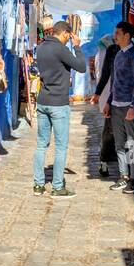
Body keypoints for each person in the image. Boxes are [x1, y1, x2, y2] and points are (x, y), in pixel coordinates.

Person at [32, 20, 85, 197]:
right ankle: (57, 187)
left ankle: (38, 185)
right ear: (64, 34)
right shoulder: (61, 49)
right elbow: (82, 67)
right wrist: (77, 47)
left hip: (43, 101)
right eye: (68, 37)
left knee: (41, 144)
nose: (68, 40)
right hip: (58, 104)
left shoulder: (40, 48)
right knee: (61, 147)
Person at [105, 20, 134, 194]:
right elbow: (115, 82)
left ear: (127, 36)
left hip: (129, 106)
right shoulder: (119, 55)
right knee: (119, 144)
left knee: (133, 143)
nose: (115, 37)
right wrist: (108, 102)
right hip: (116, 106)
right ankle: (123, 176)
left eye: (118, 34)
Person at [92, 35, 119, 177]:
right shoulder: (111, 51)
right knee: (109, 130)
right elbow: (104, 75)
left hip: (118, 97)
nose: (116, 37)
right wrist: (98, 94)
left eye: (118, 34)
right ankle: (104, 160)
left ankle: (131, 171)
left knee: (115, 131)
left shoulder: (132, 52)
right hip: (110, 96)